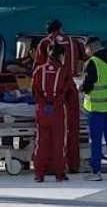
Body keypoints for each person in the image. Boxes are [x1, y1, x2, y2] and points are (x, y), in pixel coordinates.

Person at [35, 19, 85, 173]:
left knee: (49, 130)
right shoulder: (75, 42)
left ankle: (51, 165)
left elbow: (39, 67)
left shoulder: (44, 43)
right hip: (71, 87)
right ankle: (74, 164)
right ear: (61, 28)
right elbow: (82, 62)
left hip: (52, 91)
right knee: (72, 128)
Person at [81, 37, 107, 181]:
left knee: (96, 140)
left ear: (90, 48)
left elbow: (88, 85)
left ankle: (96, 171)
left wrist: (80, 87)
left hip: (96, 107)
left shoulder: (93, 62)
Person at [31, 43, 72, 183]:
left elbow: (34, 91)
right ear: (61, 55)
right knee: (59, 142)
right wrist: (55, 104)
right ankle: (59, 174)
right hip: (58, 110)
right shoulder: (64, 71)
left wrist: (44, 104)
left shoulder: (38, 71)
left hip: (42, 110)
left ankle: (39, 174)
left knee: (41, 142)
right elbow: (67, 91)